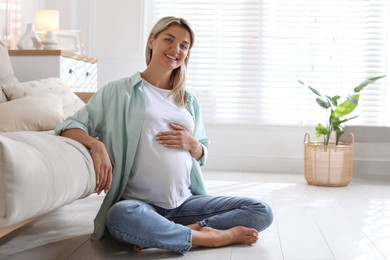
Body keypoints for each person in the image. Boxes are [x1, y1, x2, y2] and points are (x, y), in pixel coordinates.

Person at [55, 16, 273, 254]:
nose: (175, 49)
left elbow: (202, 152)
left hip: (185, 204)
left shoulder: (188, 101)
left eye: (183, 45)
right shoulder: (119, 91)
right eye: (169, 40)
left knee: (261, 210)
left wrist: (193, 144)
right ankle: (211, 237)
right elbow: (71, 124)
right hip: (140, 204)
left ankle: (179, 232)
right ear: (151, 41)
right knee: (120, 216)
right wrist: (96, 145)